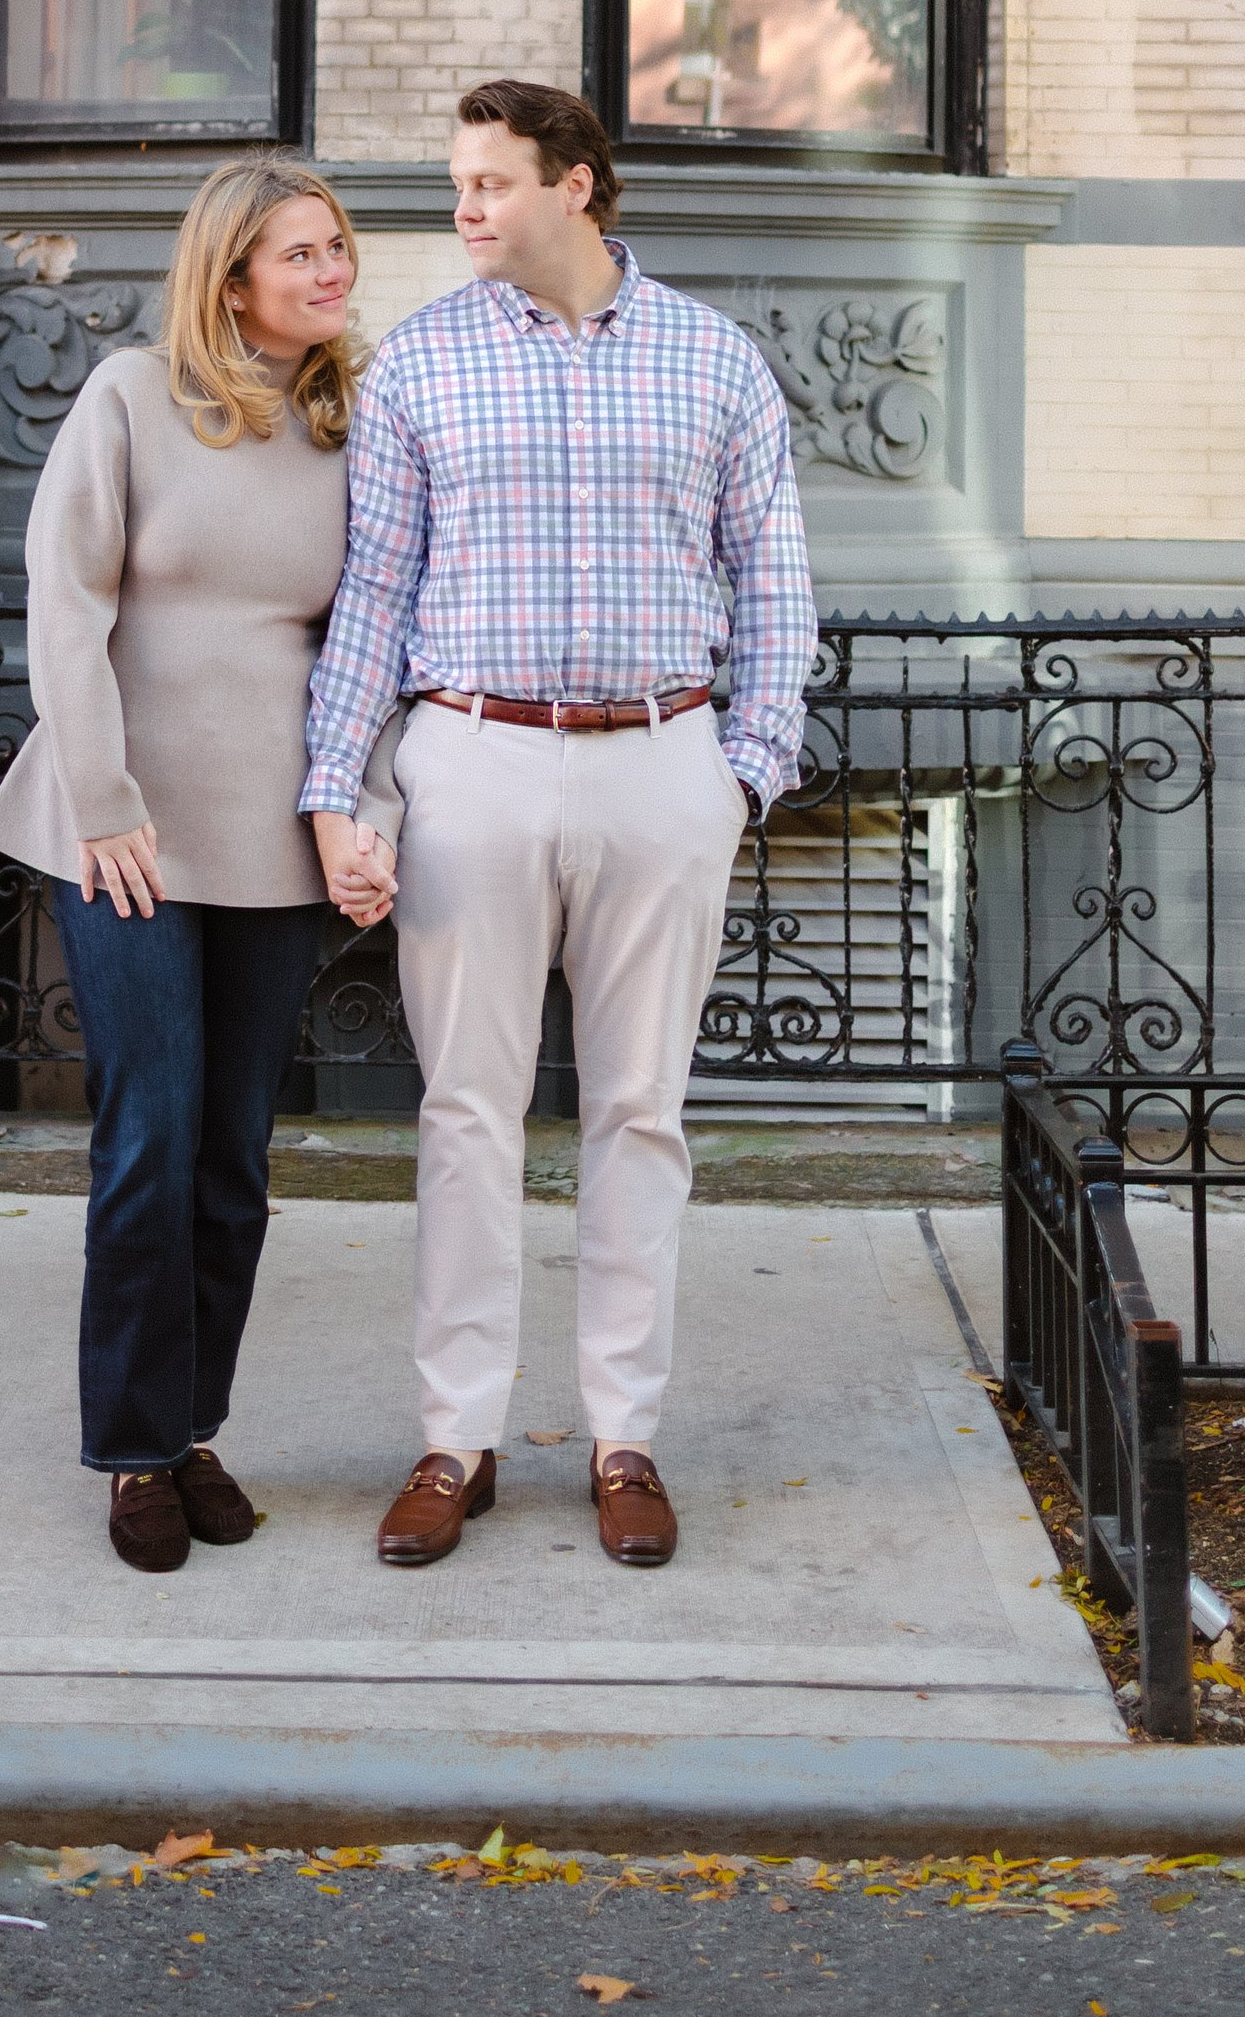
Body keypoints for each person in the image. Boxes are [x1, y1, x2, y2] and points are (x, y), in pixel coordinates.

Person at [302, 79, 815, 1572]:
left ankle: (623, 1438)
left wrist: (743, 773)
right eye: (457, 185)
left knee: (640, 1112)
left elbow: (775, 588)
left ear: (578, 184)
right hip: (476, 760)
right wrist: (343, 790)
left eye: (489, 182)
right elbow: (372, 603)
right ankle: (453, 1437)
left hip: (667, 762)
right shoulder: (418, 367)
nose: (463, 208)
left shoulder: (715, 360)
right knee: (466, 1115)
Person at [0, 157, 393, 1574]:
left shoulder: (358, 419)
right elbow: (65, 597)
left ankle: (193, 1424)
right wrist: (101, 800)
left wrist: (365, 804)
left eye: (337, 247)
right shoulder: (129, 397)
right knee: (147, 1143)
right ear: (232, 277)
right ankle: (131, 1450)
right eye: (301, 252)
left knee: (234, 1159)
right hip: (129, 833)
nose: (333, 270)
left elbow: (374, 638)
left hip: (275, 833)